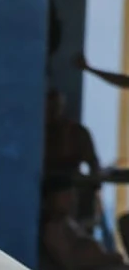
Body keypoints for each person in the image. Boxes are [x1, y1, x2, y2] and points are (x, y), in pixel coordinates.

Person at [39, 175, 129, 270]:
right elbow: (70, 265)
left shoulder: (68, 222)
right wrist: (104, 259)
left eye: (72, 195)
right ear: (51, 199)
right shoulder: (53, 228)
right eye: (65, 196)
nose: (71, 200)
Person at [44, 88, 102, 227]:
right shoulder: (34, 134)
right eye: (49, 107)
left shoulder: (76, 133)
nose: (52, 111)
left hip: (72, 186)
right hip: (44, 187)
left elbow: (93, 164)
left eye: (56, 107)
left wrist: (94, 186)